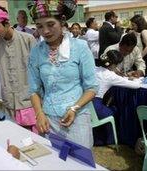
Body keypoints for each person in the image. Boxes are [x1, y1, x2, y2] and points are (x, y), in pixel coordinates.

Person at [28, 0, 98, 148]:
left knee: (80, 163)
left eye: (50, 24)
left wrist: (74, 108)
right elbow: (34, 90)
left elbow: (92, 88)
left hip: (77, 117)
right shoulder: (36, 52)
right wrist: (39, 114)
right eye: (39, 26)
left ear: (63, 21)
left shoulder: (80, 47)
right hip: (48, 120)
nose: (45, 31)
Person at [0, 5, 37, 131]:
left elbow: (38, 72)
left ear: (7, 23)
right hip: (9, 102)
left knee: (36, 141)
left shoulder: (28, 39)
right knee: (16, 139)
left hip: (29, 101)